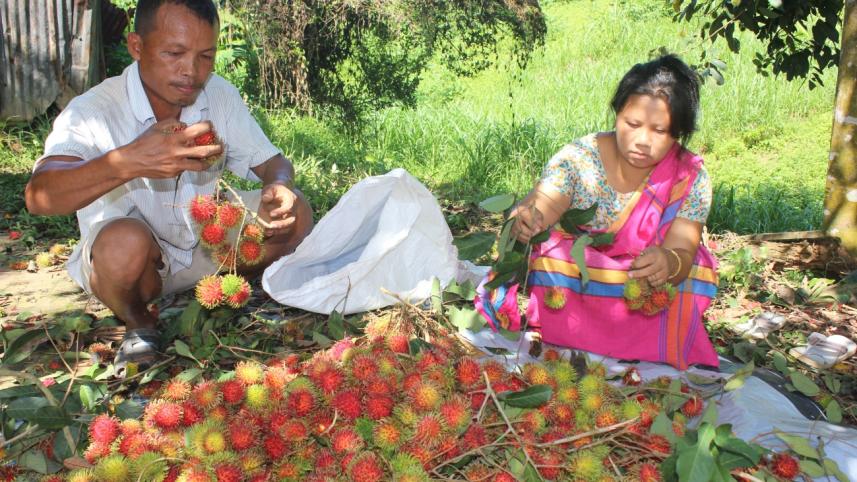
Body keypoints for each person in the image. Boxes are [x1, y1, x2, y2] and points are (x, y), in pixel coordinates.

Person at [24, 0, 313, 374]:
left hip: (204, 249)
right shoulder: (92, 111)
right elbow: (39, 196)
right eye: (174, 53)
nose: (191, 71)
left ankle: (223, 290)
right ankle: (138, 320)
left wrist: (280, 185)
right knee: (121, 243)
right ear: (137, 47)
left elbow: (273, 163)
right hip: (136, 270)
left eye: (206, 56)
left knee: (298, 213)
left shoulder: (218, 95)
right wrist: (128, 161)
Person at [475, 54, 719, 370]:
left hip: (642, 287)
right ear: (617, 114)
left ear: (677, 135)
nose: (642, 141)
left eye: (659, 131)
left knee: (694, 270)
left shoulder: (689, 177)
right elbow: (546, 201)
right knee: (551, 249)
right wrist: (527, 219)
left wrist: (669, 262)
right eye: (632, 124)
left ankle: (651, 343)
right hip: (582, 283)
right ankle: (567, 331)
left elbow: (683, 247)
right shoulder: (580, 159)